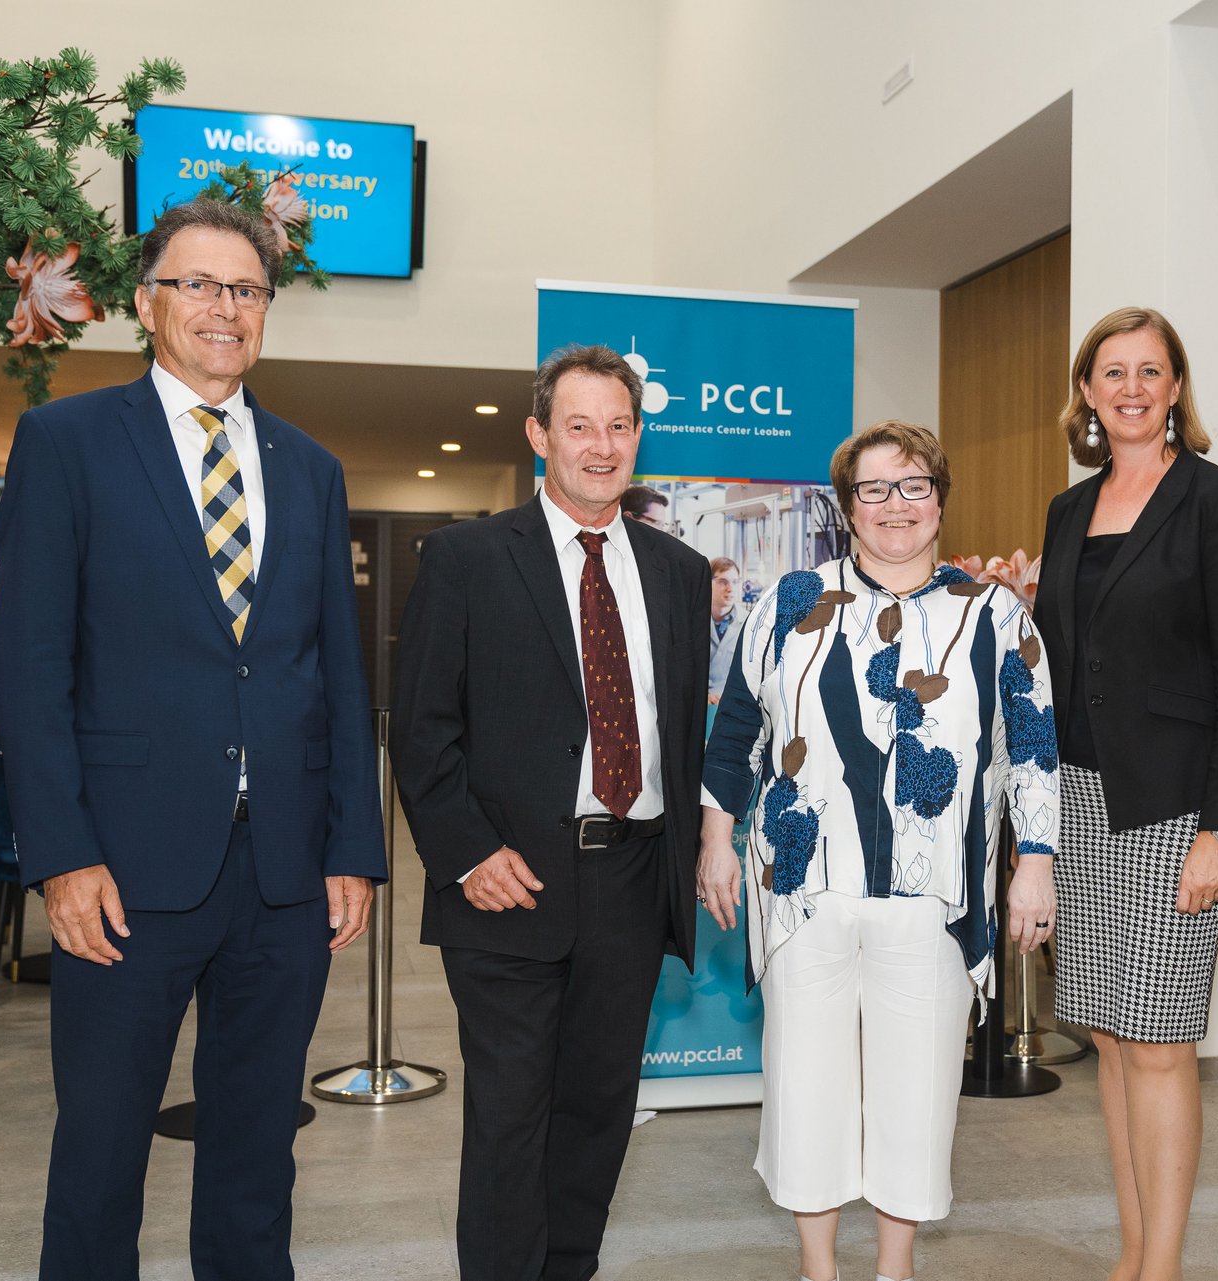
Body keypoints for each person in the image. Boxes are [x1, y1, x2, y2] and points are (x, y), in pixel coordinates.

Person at [0, 199, 385, 1281]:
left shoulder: (310, 467)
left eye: (246, 291)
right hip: (121, 872)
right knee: (103, 1156)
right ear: (145, 303)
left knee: (259, 1154)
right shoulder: (66, 443)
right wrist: (62, 856)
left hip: (285, 874)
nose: (226, 308)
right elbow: (30, 671)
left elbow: (336, 677)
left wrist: (353, 847)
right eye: (199, 285)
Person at [700, 420, 1059, 1281]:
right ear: (846, 506)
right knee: (804, 1085)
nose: (895, 505)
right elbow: (735, 733)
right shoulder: (786, 601)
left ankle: (894, 1267)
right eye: (874, 488)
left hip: (934, 898)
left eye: (913, 485)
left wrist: (1034, 860)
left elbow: (1034, 744)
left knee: (916, 1089)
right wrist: (717, 836)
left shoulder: (995, 613)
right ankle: (818, 1269)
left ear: (939, 498)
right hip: (802, 890)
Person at [391, 343, 709, 1281]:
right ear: (540, 436)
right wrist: (466, 852)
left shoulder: (680, 572)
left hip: (633, 878)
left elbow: (681, 729)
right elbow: (420, 730)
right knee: (508, 1120)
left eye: (619, 426)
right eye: (580, 426)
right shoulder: (465, 558)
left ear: (638, 437)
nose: (601, 446)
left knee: (599, 1113)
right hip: (508, 884)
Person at [1033, 306, 1218, 1280]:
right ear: (1086, 393)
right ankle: (1134, 1255)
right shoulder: (1067, 510)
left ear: (1176, 389)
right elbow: (1067, 654)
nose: (1130, 388)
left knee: (1162, 1038)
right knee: (1109, 1035)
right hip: (1083, 801)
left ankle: (1160, 1269)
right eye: (1111, 372)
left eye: (1150, 371)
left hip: (1177, 808)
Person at [707, 554, 742, 703]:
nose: (730, 588)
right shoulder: (690, 621)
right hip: (697, 704)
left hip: (733, 705)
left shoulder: (748, 623)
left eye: (735, 582)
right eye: (723, 582)